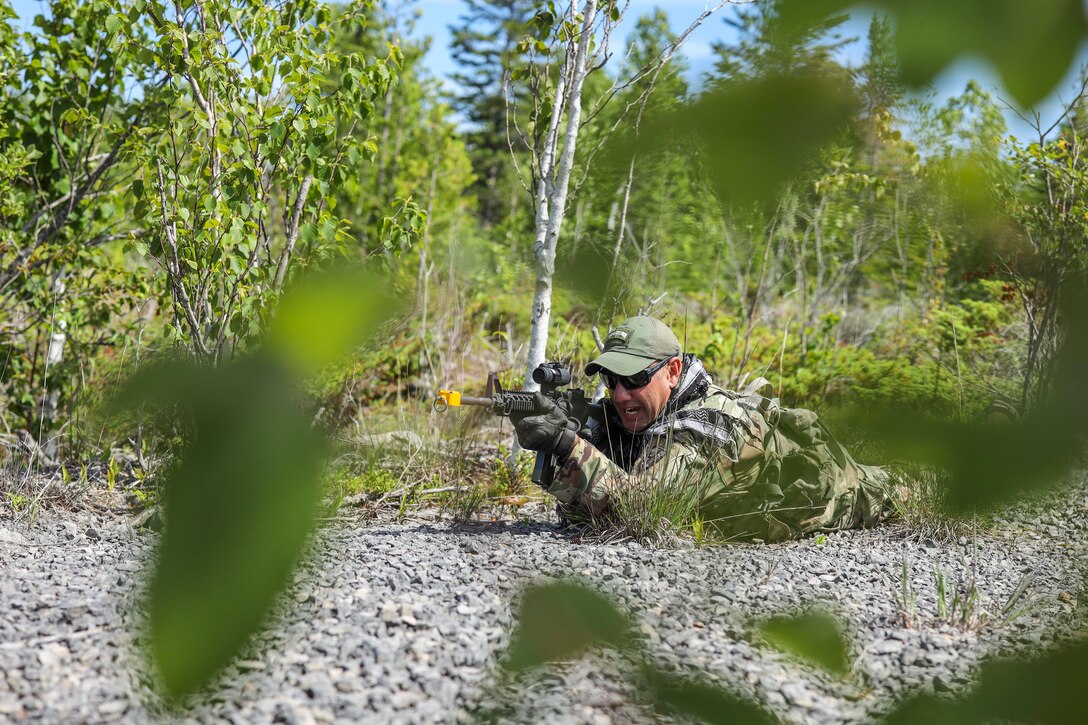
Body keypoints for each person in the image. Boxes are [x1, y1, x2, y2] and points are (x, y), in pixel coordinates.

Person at [511, 315, 899, 542]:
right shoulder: (639, 411)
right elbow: (585, 516)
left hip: (850, 493)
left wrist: (568, 446)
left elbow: (642, 510)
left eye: (633, 380)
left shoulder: (708, 426)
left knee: (898, 486)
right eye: (611, 380)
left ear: (673, 371)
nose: (620, 394)